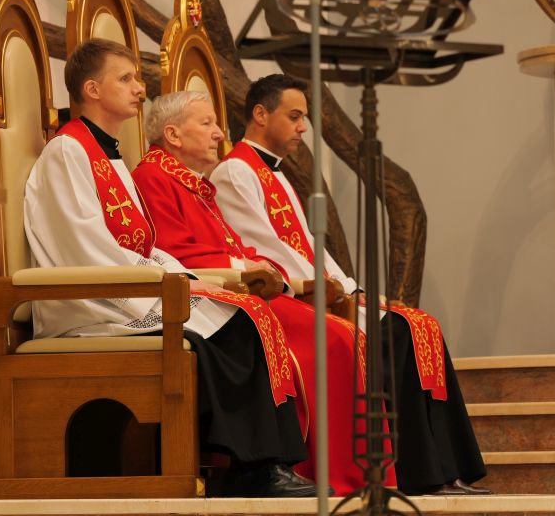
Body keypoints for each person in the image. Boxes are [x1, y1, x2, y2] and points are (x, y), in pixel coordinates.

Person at [23, 39, 315, 497]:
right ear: (93, 89)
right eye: (126, 79)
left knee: (243, 315)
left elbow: (144, 244)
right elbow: (82, 245)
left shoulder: (109, 156)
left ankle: (260, 466)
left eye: (137, 79)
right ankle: (251, 469)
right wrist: (162, 285)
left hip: (123, 286)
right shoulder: (68, 151)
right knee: (226, 330)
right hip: (88, 304)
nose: (140, 89)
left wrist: (181, 277)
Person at [211, 74, 489, 495]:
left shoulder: (277, 174)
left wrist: (348, 286)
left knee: (419, 326)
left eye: (304, 118)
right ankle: (418, 474)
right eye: (294, 116)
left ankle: (444, 470)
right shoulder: (235, 170)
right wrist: (325, 288)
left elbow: (310, 244)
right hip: (291, 297)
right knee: (396, 334)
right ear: (261, 114)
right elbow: (265, 245)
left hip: (320, 290)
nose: (303, 127)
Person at [131, 90, 393, 495]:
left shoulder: (193, 184)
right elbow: (174, 251)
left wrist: (257, 264)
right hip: (205, 296)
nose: (219, 134)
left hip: (234, 290)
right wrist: (245, 268)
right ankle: (324, 472)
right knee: (333, 340)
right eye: (207, 123)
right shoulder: (152, 178)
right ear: (173, 134)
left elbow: (232, 244)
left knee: (344, 336)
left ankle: (351, 473)